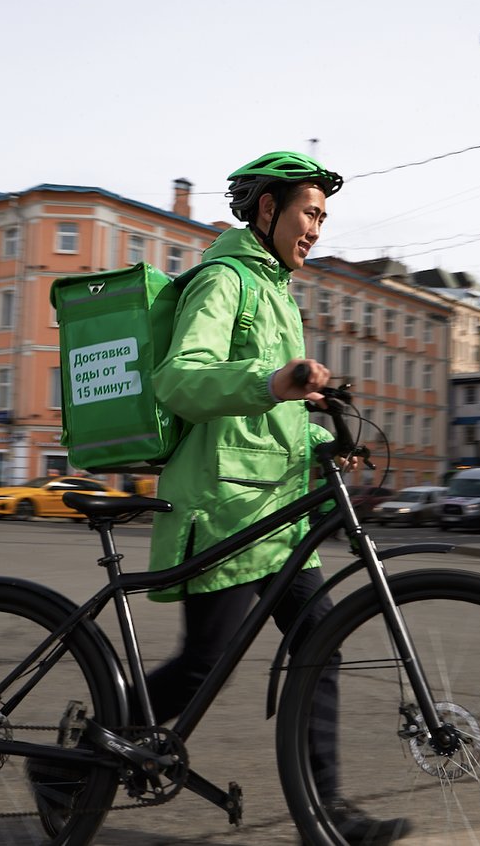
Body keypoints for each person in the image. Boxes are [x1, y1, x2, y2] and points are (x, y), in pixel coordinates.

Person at [144, 151, 411, 843]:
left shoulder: (278, 295)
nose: (316, 229)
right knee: (204, 664)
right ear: (268, 210)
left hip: (278, 516)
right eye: (309, 213)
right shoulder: (224, 280)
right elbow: (180, 379)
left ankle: (327, 814)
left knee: (321, 644)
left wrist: (323, 442)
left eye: (323, 217)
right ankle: (79, 760)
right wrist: (272, 381)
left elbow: (272, 417)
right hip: (224, 507)